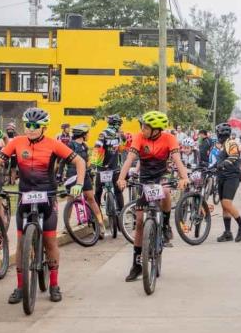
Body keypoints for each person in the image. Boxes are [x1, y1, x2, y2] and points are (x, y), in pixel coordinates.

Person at [0, 108, 86, 303]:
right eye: (28, 125)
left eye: (35, 126)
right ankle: (19, 286)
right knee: (21, 243)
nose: (31, 129)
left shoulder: (54, 144)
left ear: (44, 128)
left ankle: (55, 284)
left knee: (50, 242)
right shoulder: (16, 142)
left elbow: (80, 162)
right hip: (25, 195)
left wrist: (79, 184)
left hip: (47, 196)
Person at [117, 111, 188, 281]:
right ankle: (136, 265)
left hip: (162, 174)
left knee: (165, 191)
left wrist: (184, 177)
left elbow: (177, 160)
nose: (142, 128)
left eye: (145, 126)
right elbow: (129, 159)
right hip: (146, 177)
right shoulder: (139, 137)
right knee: (140, 222)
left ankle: (165, 225)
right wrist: (121, 178)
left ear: (156, 129)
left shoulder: (169, 138)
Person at [60, 124, 105, 237]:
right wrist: (60, 174)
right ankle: (67, 225)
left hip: (85, 175)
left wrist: (90, 169)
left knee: (91, 198)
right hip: (72, 175)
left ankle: (100, 223)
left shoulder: (84, 146)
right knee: (71, 199)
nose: (88, 135)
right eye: (87, 133)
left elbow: (87, 160)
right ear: (82, 134)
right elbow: (62, 161)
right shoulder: (70, 145)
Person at [211, 122, 241, 242]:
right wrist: (210, 167)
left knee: (227, 203)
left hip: (231, 177)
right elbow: (218, 161)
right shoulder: (222, 145)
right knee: (224, 206)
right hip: (222, 177)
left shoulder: (231, 143)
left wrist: (222, 164)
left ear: (220, 134)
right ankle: (228, 233)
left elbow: (234, 157)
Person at [92, 119, 125, 219]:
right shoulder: (118, 135)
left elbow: (97, 148)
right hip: (114, 166)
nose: (120, 127)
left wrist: (93, 164)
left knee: (98, 191)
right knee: (118, 191)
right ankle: (121, 215)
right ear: (117, 125)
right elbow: (122, 149)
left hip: (102, 167)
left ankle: (97, 216)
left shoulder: (103, 133)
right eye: (119, 125)